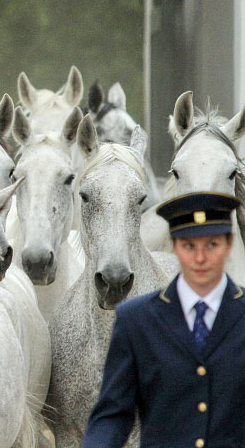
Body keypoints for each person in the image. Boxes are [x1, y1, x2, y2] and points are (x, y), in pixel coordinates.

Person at [82, 191, 245, 448]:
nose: (200, 258)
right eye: (189, 246)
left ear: (229, 244)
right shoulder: (137, 320)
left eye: (211, 245)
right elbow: (113, 415)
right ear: (174, 245)